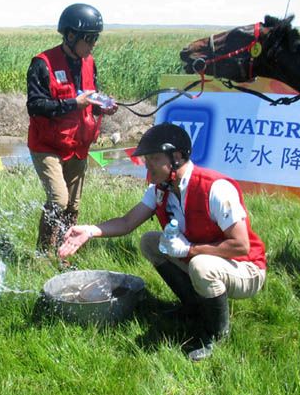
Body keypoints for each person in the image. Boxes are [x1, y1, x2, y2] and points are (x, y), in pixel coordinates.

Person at [59, 123, 267, 361]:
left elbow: (241, 246)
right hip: (207, 260)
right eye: (147, 159)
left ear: (176, 157)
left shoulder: (215, 188)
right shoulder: (161, 188)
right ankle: (193, 307)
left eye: (154, 158)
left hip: (246, 269)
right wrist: (90, 230)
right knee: (150, 242)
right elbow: (127, 222)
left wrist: (189, 250)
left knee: (201, 266)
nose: (148, 165)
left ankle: (214, 335)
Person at [26, 3, 118, 252]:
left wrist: (102, 106)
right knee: (58, 200)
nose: (93, 44)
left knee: (73, 206)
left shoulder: (90, 63)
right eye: (89, 39)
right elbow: (35, 106)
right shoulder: (42, 64)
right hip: (47, 146)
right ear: (70, 35)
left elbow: (89, 100)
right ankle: (43, 253)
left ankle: (64, 251)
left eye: (96, 38)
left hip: (78, 146)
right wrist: (72, 103)